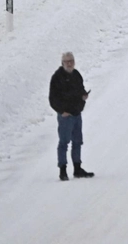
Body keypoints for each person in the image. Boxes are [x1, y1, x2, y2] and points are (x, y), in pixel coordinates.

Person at [49, 52, 94, 181]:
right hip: (65, 116)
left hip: (76, 113)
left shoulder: (76, 75)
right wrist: (61, 111)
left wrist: (83, 96)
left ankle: (77, 168)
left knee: (77, 141)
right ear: (62, 63)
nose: (69, 63)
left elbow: (80, 89)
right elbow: (52, 98)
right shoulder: (57, 78)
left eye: (71, 61)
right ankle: (62, 170)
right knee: (64, 142)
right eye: (67, 61)